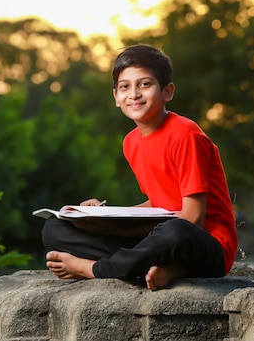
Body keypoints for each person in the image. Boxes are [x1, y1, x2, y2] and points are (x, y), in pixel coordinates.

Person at [42, 44, 238, 291]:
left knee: (174, 231)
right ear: (115, 96)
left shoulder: (185, 135)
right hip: (162, 239)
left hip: (206, 245)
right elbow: (159, 203)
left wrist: (119, 231)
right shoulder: (131, 142)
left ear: (167, 91)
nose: (134, 94)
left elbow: (192, 218)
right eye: (125, 87)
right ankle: (157, 268)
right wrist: (102, 217)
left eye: (145, 84)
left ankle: (93, 269)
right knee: (55, 228)